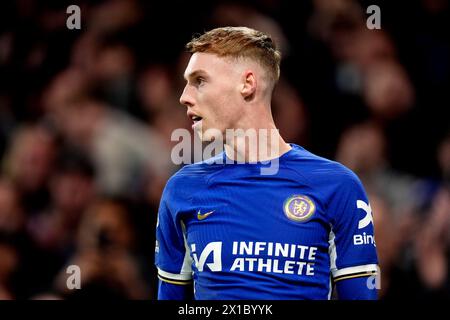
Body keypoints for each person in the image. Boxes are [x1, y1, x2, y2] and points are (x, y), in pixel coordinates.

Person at [155, 26, 379, 300]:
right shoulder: (182, 190)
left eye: (199, 80)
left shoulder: (337, 186)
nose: (184, 96)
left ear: (247, 84)